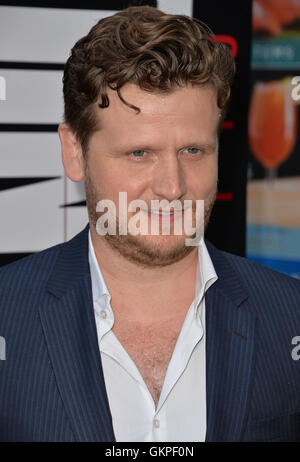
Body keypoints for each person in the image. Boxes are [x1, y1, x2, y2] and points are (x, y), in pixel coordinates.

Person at [1, 5, 300, 443]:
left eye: (193, 151)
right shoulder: (7, 314)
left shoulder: (289, 315)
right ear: (74, 152)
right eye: (140, 153)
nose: (172, 187)